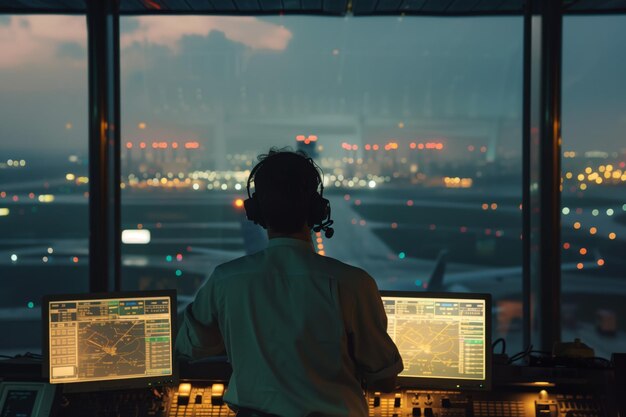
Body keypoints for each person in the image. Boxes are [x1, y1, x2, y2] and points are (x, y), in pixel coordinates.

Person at [175, 148, 403, 417]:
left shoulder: (225, 281)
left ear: (256, 211)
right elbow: (384, 380)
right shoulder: (354, 284)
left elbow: (188, 350)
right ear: (318, 210)